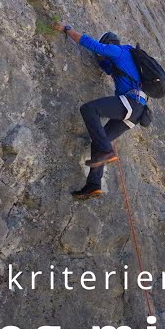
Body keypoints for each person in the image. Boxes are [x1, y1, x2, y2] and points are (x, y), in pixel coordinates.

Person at [57, 23, 148, 201]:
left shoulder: (119, 50)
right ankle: (93, 185)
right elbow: (105, 64)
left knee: (89, 109)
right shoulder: (121, 63)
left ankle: (107, 150)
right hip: (136, 112)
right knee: (98, 141)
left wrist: (67, 29)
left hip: (131, 103)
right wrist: (99, 58)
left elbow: (96, 47)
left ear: (110, 44)